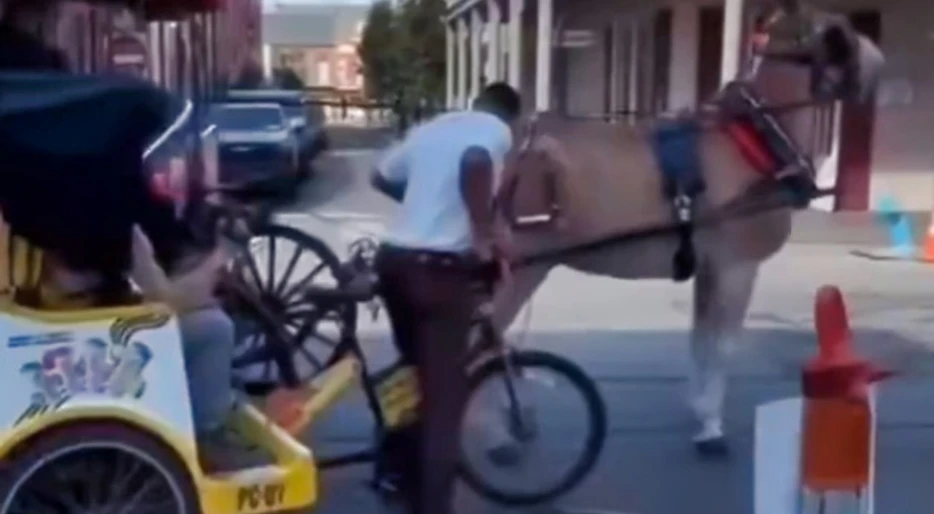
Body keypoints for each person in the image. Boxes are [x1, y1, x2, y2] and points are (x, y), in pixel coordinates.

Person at [0, 3, 245, 471]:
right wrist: (215, 262)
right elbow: (166, 301)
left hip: (39, 314)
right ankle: (209, 441)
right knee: (212, 330)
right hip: (76, 338)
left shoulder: (31, 196)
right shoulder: (100, 212)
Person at [370, 82, 521, 514]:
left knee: (415, 374)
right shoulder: (495, 129)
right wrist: (485, 236)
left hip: (394, 262)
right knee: (444, 402)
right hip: (438, 273)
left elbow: (379, 176)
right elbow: (474, 162)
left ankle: (399, 471)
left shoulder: (434, 127)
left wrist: (425, 208)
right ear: (509, 116)